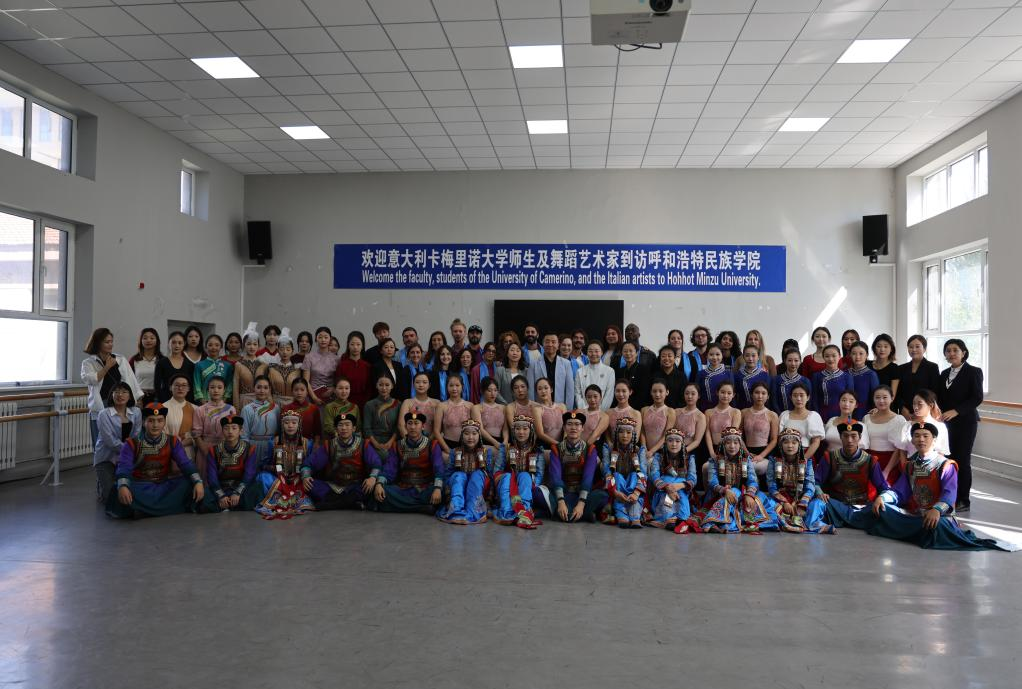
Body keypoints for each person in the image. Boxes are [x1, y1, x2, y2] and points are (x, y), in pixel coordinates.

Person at [869, 423, 1014, 550]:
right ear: (912, 440)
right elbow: (899, 491)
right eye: (917, 436)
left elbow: (950, 494)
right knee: (884, 509)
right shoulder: (910, 466)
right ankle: (917, 531)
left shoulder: (945, 465)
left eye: (925, 436)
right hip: (917, 515)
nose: (921, 439)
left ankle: (911, 531)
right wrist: (883, 498)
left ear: (934, 440)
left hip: (940, 517)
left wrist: (937, 510)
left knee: (937, 526)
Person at [106, 403, 204, 519]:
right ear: (144, 422)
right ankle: (169, 507)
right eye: (151, 421)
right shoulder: (131, 443)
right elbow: (124, 467)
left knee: (190, 483)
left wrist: (198, 481)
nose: (155, 425)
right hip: (140, 486)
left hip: (163, 485)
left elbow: (185, 463)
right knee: (118, 488)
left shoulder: (172, 441)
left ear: (164, 422)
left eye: (160, 420)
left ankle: (143, 510)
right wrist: (123, 486)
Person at [815, 419, 895, 530]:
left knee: (884, 508)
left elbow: (883, 487)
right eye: (845, 436)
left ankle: (843, 520)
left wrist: (881, 498)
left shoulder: (870, 460)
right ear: (840, 437)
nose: (849, 440)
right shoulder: (829, 458)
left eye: (853, 436)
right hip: (836, 506)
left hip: (861, 507)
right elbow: (815, 481)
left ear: (860, 437)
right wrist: (820, 493)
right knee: (818, 503)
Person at [365, 411, 444, 513]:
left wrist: (437, 488)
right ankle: (420, 508)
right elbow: (389, 469)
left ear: (423, 426)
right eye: (409, 423)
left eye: (416, 423)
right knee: (381, 492)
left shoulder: (432, 445)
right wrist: (379, 483)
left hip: (424, 488)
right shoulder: (397, 445)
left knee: (440, 491)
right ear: (406, 426)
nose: (413, 427)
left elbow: (439, 468)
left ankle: (404, 506)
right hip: (403, 488)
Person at [938, 338, 983, 513]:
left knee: (962, 460)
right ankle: (949, 495)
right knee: (948, 458)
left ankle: (964, 499)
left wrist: (956, 411)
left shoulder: (974, 372)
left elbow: (977, 397)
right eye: (948, 350)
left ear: (963, 352)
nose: (951, 353)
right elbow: (940, 397)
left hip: (966, 422)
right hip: (946, 423)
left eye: (955, 350)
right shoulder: (944, 373)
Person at [699, 427, 773, 533]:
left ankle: (718, 522)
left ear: (740, 444)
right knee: (734, 492)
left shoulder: (746, 460)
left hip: (741, 495)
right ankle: (712, 521)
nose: (732, 446)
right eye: (728, 443)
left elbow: (753, 480)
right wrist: (725, 490)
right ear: (723, 444)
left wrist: (749, 494)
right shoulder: (715, 460)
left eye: (735, 443)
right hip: (718, 494)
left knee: (761, 499)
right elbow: (712, 482)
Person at [254, 409, 320, 519]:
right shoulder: (273, 442)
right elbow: (263, 464)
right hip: (278, 479)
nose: (290, 426)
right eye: (286, 423)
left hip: (299, 479)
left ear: (299, 425)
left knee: (311, 482)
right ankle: (277, 500)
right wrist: (274, 468)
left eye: (294, 423)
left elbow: (311, 465)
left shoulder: (307, 443)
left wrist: (304, 475)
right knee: (263, 477)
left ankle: (297, 502)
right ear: (282, 425)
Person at [764, 427, 832, 533]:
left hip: (801, 501)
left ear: (799, 444)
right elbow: (771, 485)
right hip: (781, 501)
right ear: (781, 445)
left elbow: (810, 486)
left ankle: (811, 524)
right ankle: (784, 523)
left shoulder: (806, 462)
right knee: (766, 501)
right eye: (786, 442)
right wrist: (785, 502)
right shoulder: (773, 461)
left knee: (818, 503)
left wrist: (802, 504)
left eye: (794, 443)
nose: (790, 446)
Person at [82, 327, 143, 445]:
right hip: (101, 404)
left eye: (111, 341)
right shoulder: (88, 363)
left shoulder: (120, 359)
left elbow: (130, 380)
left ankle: (123, 456)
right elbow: (91, 380)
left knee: (121, 438)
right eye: (107, 342)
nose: (111, 344)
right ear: (98, 343)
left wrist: (137, 399)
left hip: (120, 403)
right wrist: (107, 367)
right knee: (100, 441)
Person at [301, 412, 372, 511]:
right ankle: (351, 504)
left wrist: (372, 478)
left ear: (354, 428)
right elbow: (309, 463)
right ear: (336, 429)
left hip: (356, 484)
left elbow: (376, 464)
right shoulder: (329, 445)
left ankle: (325, 505)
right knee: (311, 485)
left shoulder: (363, 444)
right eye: (340, 425)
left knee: (369, 487)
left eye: (347, 425)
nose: (344, 428)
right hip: (334, 485)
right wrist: (305, 476)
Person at [548, 411, 607, 523]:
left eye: (577, 424)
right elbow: (555, 476)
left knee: (603, 496)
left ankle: (569, 513)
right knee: (538, 493)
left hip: (582, 493)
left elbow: (588, 477)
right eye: (569, 424)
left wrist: (581, 504)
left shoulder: (590, 449)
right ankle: (585, 514)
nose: (573, 428)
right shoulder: (556, 448)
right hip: (564, 492)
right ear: (564, 428)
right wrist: (561, 501)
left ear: (582, 428)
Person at [493, 414, 545, 528]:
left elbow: (539, 475)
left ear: (531, 431)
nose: (521, 432)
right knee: (507, 476)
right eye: (517, 429)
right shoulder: (506, 448)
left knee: (525, 475)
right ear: (513, 431)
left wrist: (528, 481)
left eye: (525, 429)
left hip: (526, 485)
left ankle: (523, 511)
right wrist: (511, 478)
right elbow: (496, 471)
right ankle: (506, 512)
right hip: (507, 484)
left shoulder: (537, 450)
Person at [436, 419, 493, 525]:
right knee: (459, 475)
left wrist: (489, 500)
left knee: (477, 474)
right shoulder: (455, 452)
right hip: (459, 487)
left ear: (479, 435)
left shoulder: (486, 452)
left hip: (478, 489)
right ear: (462, 436)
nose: (470, 437)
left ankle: (473, 512)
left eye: (474, 434)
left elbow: (490, 476)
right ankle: (456, 510)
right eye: (466, 434)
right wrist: (448, 498)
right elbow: (447, 475)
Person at [202, 414, 262, 512]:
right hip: (222, 487)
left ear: (240, 431)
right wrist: (221, 496)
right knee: (204, 497)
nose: (230, 432)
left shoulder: (249, 449)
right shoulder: (214, 450)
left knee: (257, 489)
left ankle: (225, 506)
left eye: (234, 428)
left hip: (241, 488)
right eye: (226, 428)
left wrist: (237, 493)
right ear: (222, 431)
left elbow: (249, 474)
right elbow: (212, 477)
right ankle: (229, 504)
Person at [93, 381, 141, 504]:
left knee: (133, 492)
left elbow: (136, 435)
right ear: (111, 395)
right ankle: (101, 484)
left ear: (130, 396)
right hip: (106, 459)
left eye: (124, 392)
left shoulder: (136, 412)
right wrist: (128, 450)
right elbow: (110, 441)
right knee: (111, 497)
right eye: (117, 392)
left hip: (128, 458)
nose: (120, 395)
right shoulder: (104, 414)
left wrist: (130, 453)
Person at [647, 428, 698, 532]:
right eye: (670, 441)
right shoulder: (659, 457)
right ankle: (669, 517)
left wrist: (678, 486)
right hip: (663, 491)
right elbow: (654, 476)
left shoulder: (689, 458)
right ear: (665, 443)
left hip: (682, 491)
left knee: (683, 509)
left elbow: (693, 478)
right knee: (667, 479)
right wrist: (668, 487)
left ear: (682, 443)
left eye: (677, 441)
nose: (674, 444)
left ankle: (678, 516)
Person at [602, 417, 647, 528]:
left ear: (633, 434)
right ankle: (622, 513)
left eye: (628, 432)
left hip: (634, 488)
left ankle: (635, 516)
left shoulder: (639, 450)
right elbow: (607, 472)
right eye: (621, 432)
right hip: (616, 487)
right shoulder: (608, 448)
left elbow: (643, 473)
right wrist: (615, 492)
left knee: (634, 475)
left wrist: (636, 493)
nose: (625, 435)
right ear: (616, 434)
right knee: (616, 475)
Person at [778, 383, 825, 481]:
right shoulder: (784, 415)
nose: (798, 399)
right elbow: (779, 439)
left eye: (801, 395)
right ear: (791, 398)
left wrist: (803, 460)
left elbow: (816, 442)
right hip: (785, 456)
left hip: (806, 454)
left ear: (808, 397)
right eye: (795, 395)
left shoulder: (813, 416)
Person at [864, 385, 908, 484]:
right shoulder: (866, 418)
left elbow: (899, 448)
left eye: (885, 397)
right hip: (870, 462)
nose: (881, 401)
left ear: (892, 398)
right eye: (877, 397)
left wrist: (886, 471)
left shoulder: (899, 419)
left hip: (890, 463)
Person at [702, 381, 742, 485]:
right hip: (713, 449)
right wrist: (711, 452)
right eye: (723, 392)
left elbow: (733, 435)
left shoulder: (736, 412)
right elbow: (707, 433)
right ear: (717, 393)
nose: (725, 395)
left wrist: (725, 452)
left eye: (729, 393)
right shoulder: (708, 412)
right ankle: (709, 493)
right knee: (706, 468)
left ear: (733, 395)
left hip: (730, 450)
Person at [191, 376, 237, 468]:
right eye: (212, 387)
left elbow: (235, 431)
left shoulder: (231, 409)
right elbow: (196, 434)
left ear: (224, 390)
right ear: (208, 390)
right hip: (206, 448)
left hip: (226, 448)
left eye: (219, 387)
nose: (216, 390)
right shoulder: (200, 410)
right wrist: (205, 450)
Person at [895, 335, 940, 418]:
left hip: (925, 411)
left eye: (917, 346)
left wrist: (922, 410)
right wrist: (902, 409)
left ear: (924, 349)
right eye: (910, 347)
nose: (914, 349)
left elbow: (934, 391)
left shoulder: (932, 367)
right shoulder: (901, 368)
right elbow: (897, 392)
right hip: (905, 413)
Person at [741, 382, 778, 479]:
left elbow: (774, 439)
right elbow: (738, 435)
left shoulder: (772, 415)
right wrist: (746, 452)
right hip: (745, 450)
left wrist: (761, 456)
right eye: (757, 392)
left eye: (763, 393)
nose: (760, 396)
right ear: (751, 394)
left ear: (768, 396)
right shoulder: (743, 412)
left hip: (765, 452)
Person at [240, 375, 280, 468]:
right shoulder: (247, 409)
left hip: (271, 446)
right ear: (254, 388)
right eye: (259, 387)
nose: (262, 391)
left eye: (265, 388)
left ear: (269, 389)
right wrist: (247, 450)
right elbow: (244, 434)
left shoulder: (276, 408)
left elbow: (279, 431)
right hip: (253, 446)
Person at [527, 333, 575, 407]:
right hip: (539, 408)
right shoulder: (533, 364)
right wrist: (533, 408)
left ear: (558, 345)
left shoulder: (566, 364)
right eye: (547, 342)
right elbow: (530, 390)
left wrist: (568, 410)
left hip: (560, 408)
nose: (550, 344)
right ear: (543, 344)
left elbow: (570, 390)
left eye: (553, 342)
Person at [897, 390, 950, 457]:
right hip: (910, 462)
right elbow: (902, 450)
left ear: (930, 405)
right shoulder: (907, 426)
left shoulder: (940, 427)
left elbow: (941, 452)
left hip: (933, 463)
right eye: (914, 404)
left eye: (920, 404)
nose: (916, 407)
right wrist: (905, 463)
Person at [674, 383, 708, 487]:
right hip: (672, 448)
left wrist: (682, 451)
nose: (689, 396)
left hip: (690, 451)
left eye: (693, 394)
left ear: (698, 396)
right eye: (687, 393)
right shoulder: (676, 412)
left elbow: (697, 441)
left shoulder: (700, 416)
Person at [163, 374, 198, 469]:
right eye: (177, 385)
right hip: (169, 452)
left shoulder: (195, 409)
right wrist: (176, 444)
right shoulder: (163, 408)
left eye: (184, 385)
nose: (180, 388)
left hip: (189, 452)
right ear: (170, 387)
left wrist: (188, 441)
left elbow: (199, 433)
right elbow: (159, 433)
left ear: (189, 388)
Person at [812, 344, 853, 422]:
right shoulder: (817, 376)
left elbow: (850, 400)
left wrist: (848, 419)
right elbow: (814, 399)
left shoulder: (847, 377)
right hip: (821, 415)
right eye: (827, 356)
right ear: (823, 357)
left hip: (841, 415)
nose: (830, 359)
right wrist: (816, 417)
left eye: (834, 356)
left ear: (839, 356)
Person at [823, 391, 870, 456]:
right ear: (839, 402)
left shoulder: (860, 425)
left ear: (856, 405)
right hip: (830, 458)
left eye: (851, 401)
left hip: (850, 460)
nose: (846, 404)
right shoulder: (831, 420)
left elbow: (863, 449)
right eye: (844, 400)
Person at [435, 375, 473, 453]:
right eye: (451, 385)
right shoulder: (441, 406)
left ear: (462, 386)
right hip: (447, 444)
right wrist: (447, 450)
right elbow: (436, 431)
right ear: (447, 387)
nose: (454, 388)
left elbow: (476, 429)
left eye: (457, 385)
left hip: (467, 445)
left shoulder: (470, 406)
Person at [363, 374, 400, 454]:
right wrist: (375, 444)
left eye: (387, 385)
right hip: (373, 441)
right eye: (380, 385)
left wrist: (390, 442)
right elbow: (366, 428)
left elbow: (398, 427)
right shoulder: (369, 405)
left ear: (392, 386)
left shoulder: (398, 404)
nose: (384, 388)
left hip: (393, 441)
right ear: (376, 386)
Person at [302, 326, 339, 405]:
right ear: (316, 339)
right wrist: (314, 397)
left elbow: (338, 379)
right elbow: (305, 380)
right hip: (312, 395)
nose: (323, 340)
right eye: (320, 337)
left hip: (331, 396)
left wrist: (333, 389)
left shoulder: (336, 359)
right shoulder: (309, 357)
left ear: (330, 339)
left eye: (326, 337)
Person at [154, 331, 194, 404]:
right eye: (173, 342)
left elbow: (191, 386)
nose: (177, 345)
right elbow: (157, 385)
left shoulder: (190, 364)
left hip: (185, 401)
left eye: (180, 343)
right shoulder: (161, 363)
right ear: (168, 343)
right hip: (165, 401)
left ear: (184, 344)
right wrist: (162, 400)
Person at [193, 334, 234, 405]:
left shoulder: (228, 366)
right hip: (204, 403)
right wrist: (203, 402)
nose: (213, 347)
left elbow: (229, 385)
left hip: (222, 403)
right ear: (206, 347)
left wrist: (224, 400)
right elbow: (197, 385)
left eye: (217, 345)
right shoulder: (199, 365)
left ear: (221, 347)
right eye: (210, 345)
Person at [574, 340, 615, 410]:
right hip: (584, 411)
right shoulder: (580, 371)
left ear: (602, 352)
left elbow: (609, 395)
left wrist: (600, 411)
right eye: (590, 351)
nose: (593, 354)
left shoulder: (609, 371)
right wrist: (585, 410)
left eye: (596, 351)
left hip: (602, 412)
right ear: (587, 353)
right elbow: (577, 393)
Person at [336, 330, 372, 409]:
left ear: (362, 346)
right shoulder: (341, 366)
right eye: (352, 344)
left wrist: (366, 402)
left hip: (364, 404)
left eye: (358, 344)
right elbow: (338, 386)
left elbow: (369, 388)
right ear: (348, 345)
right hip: (345, 403)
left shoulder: (367, 366)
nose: (355, 347)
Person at [233, 323, 265, 409]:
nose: (252, 347)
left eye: (255, 344)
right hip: (244, 402)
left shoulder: (263, 365)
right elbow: (235, 389)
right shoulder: (238, 364)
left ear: (259, 346)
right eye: (249, 344)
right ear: (244, 345)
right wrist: (236, 408)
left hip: (261, 401)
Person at [397, 372, 439, 438]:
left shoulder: (436, 403)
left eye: (424, 382)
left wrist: (428, 442)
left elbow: (439, 427)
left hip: (431, 441)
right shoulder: (407, 403)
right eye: (417, 382)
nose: (421, 385)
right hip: (410, 441)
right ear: (413, 384)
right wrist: (410, 441)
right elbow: (401, 425)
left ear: (429, 385)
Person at [640, 381, 676, 458]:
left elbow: (667, 434)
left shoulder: (670, 411)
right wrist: (644, 448)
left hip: (662, 452)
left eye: (660, 391)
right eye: (654, 391)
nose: (657, 394)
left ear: (667, 392)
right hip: (645, 451)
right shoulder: (644, 410)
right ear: (651, 392)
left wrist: (652, 451)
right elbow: (642, 431)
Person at [128, 327, 162, 405]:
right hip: (139, 398)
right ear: (140, 341)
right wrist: (136, 397)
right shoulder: (134, 360)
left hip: (158, 398)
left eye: (152, 338)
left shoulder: (162, 360)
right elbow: (129, 380)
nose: (148, 340)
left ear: (157, 341)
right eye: (145, 338)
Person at [770, 348, 810, 414]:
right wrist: (781, 416)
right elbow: (774, 402)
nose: (793, 363)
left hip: (801, 416)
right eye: (790, 360)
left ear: (800, 361)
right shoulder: (776, 380)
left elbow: (808, 403)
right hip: (781, 416)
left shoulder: (805, 381)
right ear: (785, 361)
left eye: (796, 360)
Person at [266, 330, 300, 405]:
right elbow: (267, 388)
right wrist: (271, 404)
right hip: (275, 403)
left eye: (288, 349)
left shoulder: (297, 369)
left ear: (292, 351)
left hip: (293, 404)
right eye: (281, 349)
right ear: (278, 351)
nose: (285, 352)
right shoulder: (271, 368)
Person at [696, 344, 733, 411]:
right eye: (711, 354)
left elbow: (732, 394)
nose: (714, 357)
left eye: (717, 354)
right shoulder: (701, 374)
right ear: (707, 356)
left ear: (722, 355)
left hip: (724, 410)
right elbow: (697, 394)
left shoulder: (728, 374)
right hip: (704, 409)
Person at [605, 380, 642, 447]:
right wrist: (611, 446)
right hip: (611, 449)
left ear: (630, 392)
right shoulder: (608, 412)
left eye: (624, 391)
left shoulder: (636, 414)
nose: (620, 394)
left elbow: (636, 438)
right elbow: (607, 434)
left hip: (630, 449)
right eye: (617, 391)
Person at [847, 341, 879, 419]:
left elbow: (876, 395)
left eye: (861, 353)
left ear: (866, 355)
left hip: (866, 414)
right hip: (846, 413)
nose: (857, 357)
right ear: (850, 355)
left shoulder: (871, 375)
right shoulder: (845, 373)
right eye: (854, 353)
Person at [733, 343, 771, 409]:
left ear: (758, 357)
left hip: (761, 410)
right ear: (743, 357)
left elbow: (769, 397)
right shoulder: (737, 376)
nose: (750, 359)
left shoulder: (765, 376)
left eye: (753, 356)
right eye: (747, 355)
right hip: (742, 410)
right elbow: (734, 396)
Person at [473, 377, 507, 447]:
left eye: (495, 390)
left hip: (501, 441)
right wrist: (495, 443)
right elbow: (480, 429)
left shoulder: (503, 408)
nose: (493, 393)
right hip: (483, 442)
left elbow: (505, 429)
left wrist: (505, 441)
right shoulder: (476, 408)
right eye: (489, 390)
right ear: (482, 391)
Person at [617, 341, 651, 409]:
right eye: (625, 351)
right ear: (622, 353)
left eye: (631, 351)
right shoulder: (620, 371)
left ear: (637, 353)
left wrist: (632, 408)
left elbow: (644, 393)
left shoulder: (644, 369)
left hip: (638, 408)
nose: (628, 353)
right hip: (621, 406)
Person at [869, 333, 900, 400]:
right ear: (874, 348)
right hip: (867, 404)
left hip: (885, 404)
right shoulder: (867, 364)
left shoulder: (894, 368)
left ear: (891, 349)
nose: (882, 349)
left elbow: (892, 396)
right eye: (879, 346)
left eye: (886, 346)